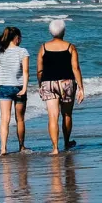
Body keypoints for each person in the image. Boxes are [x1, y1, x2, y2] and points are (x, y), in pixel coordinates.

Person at [36, 19, 83, 155]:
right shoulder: (70, 47)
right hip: (67, 82)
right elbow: (75, 68)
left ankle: (55, 148)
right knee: (67, 114)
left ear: (50, 32)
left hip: (48, 82)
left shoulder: (43, 47)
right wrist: (81, 87)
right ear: (64, 31)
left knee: (52, 116)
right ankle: (66, 143)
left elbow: (39, 70)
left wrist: (41, 84)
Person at [0, 26, 29, 155]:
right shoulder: (22, 51)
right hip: (19, 87)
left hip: (4, 87)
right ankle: (21, 146)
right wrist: (24, 88)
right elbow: (25, 72)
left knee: (5, 119)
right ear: (17, 38)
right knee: (20, 119)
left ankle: (3, 148)